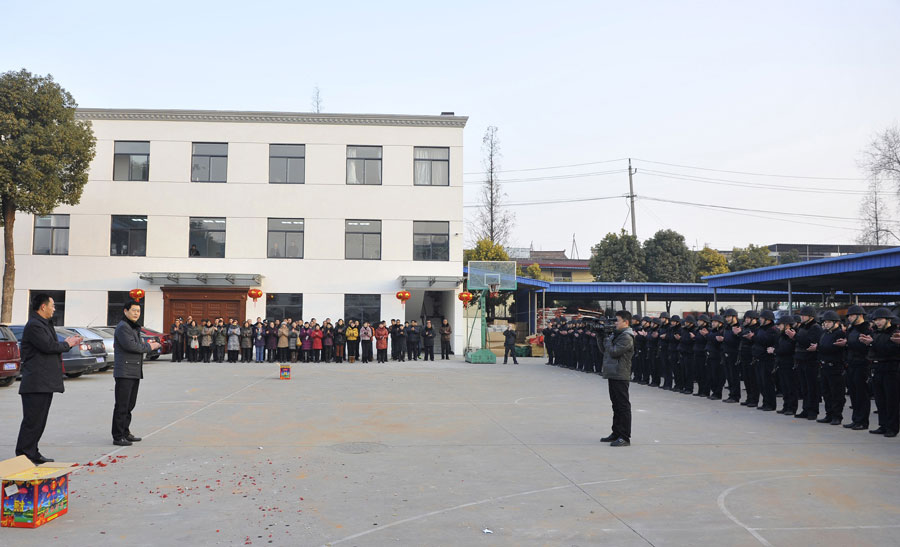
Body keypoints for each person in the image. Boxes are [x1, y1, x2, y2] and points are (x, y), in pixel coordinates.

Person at [15, 293, 83, 464]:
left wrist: (66, 343)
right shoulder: (34, 325)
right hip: (35, 382)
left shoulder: (44, 324)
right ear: (43, 306)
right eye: (52, 305)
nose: (54, 309)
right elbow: (48, 346)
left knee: (39, 421)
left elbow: (51, 345)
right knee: (32, 421)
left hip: (44, 382)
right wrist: (68, 344)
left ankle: (32, 452)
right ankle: (24, 454)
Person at [112, 300, 161, 446]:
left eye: (138, 311)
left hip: (133, 370)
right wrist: (150, 346)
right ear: (125, 311)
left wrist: (145, 345)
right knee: (122, 405)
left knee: (129, 405)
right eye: (133, 310)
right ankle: (118, 436)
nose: (136, 313)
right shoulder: (123, 327)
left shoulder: (133, 327)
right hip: (124, 372)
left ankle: (125, 432)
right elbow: (132, 346)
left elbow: (138, 345)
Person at [860, 307, 899, 437]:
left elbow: (890, 349)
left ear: (888, 320)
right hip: (877, 368)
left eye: (880, 319)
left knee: (891, 400)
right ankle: (883, 425)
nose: (878, 322)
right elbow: (872, 350)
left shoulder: (895, 333)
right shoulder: (875, 333)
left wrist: (872, 343)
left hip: (891, 369)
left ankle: (892, 427)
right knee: (880, 400)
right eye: (876, 320)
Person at [600, 310, 635, 447]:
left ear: (626, 322)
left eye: (617, 320)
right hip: (613, 373)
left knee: (623, 406)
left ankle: (625, 437)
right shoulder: (617, 335)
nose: (615, 323)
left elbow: (614, 352)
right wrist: (600, 336)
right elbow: (605, 350)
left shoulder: (626, 337)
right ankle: (616, 432)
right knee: (616, 405)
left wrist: (607, 339)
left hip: (620, 374)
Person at [840, 306, 872, 430]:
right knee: (853, 393)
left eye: (852, 315)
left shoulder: (867, 329)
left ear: (860, 315)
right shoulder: (851, 329)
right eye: (848, 316)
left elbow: (869, 347)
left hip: (862, 365)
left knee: (862, 394)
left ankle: (863, 421)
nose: (849, 318)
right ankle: (856, 419)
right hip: (851, 364)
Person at [789, 306, 822, 420]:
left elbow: (809, 342)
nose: (802, 317)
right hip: (801, 359)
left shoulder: (815, 327)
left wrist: (795, 336)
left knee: (812, 387)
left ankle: (813, 410)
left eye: (804, 315)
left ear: (811, 316)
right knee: (804, 387)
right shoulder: (802, 327)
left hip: (811, 360)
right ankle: (806, 409)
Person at [815, 310, 847, 425]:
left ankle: (837, 416)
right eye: (825, 322)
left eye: (829, 322)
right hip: (824, 366)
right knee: (826, 392)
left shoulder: (840, 334)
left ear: (836, 322)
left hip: (835, 367)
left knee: (836, 393)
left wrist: (819, 348)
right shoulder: (825, 333)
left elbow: (831, 348)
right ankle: (829, 414)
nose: (826, 324)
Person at [773, 315, 798, 414]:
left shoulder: (791, 335)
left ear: (787, 325)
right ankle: (786, 406)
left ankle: (792, 408)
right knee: (784, 386)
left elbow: (787, 349)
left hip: (789, 363)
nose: (779, 326)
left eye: (780, 325)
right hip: (782, 363)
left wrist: (775, 351)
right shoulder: (781, 336)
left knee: (790, 386)